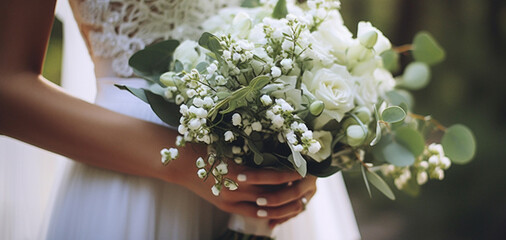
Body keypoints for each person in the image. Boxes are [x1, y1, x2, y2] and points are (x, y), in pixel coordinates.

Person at [0, 0, 360, 239]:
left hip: (273, 195)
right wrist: (187, 163)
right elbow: (7, 86)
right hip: (134, 184)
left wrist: (305, 152)